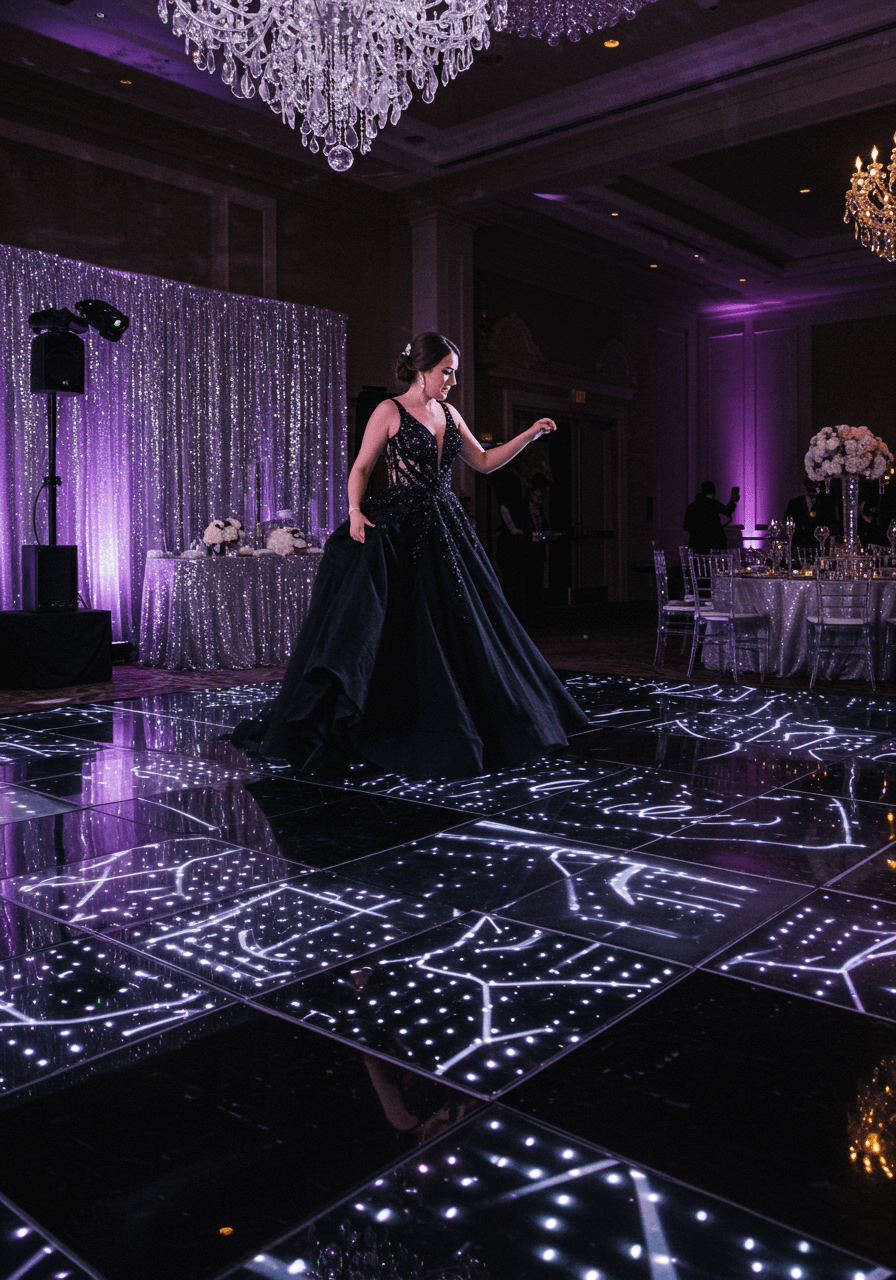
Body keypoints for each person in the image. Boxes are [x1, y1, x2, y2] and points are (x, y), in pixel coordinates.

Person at [233, 332, 587, 779]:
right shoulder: (389, 410)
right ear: (422, 370)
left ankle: (479, 719)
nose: (452, 380)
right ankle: (391, 722)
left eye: (454, 372)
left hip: (447, 525)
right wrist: (355, 511)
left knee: (466, 621)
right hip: (401, 525)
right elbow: (361, 467)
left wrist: (529, 434)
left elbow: (482, 462)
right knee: (400, 622)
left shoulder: (450, 412)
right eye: (446, 371)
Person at [684, 481, 739, 552]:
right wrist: (733, 500)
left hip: (697, 544)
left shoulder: (691, 507)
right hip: (715, 542)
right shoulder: (712, 503)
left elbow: (686, 527)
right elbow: (727, 511)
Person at [784, 478, 835, 549]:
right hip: (800, 545)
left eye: (815, 485)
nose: (812, 487)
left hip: (820, 545)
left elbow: (830, 524)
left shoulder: (826, 503)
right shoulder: (795, 503)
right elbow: (788, 523)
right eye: (810, 484)